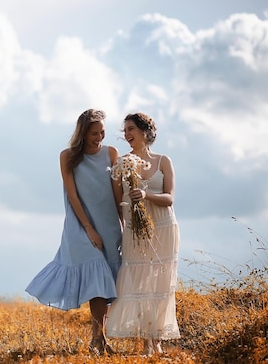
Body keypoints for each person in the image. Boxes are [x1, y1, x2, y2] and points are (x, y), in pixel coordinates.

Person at [25, 109, 123, 355]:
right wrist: (89, 230)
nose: (99, 137)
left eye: (102, 132)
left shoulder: (111, 153)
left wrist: (125, 223)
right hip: (80, 225)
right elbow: (72, 194)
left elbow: (117, 192)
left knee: (105, 283)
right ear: (82, 132)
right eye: (94, 133)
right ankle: (97, 340)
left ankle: (99, 340)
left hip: (109, 224)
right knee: (96, 275)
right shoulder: (67, 156)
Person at [105, 112, 181, 355]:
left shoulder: (163, 161)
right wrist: (130, 225)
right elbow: (119, 204)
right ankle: (146, 341)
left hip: (164, 227)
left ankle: (156, 340)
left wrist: (146, 195)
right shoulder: (122, 163)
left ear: (145, 132)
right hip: (136, 232)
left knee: (161, 283)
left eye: (131, 129)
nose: (126, 135)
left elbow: (169, 199)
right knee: (139, 284)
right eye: (125, 130)